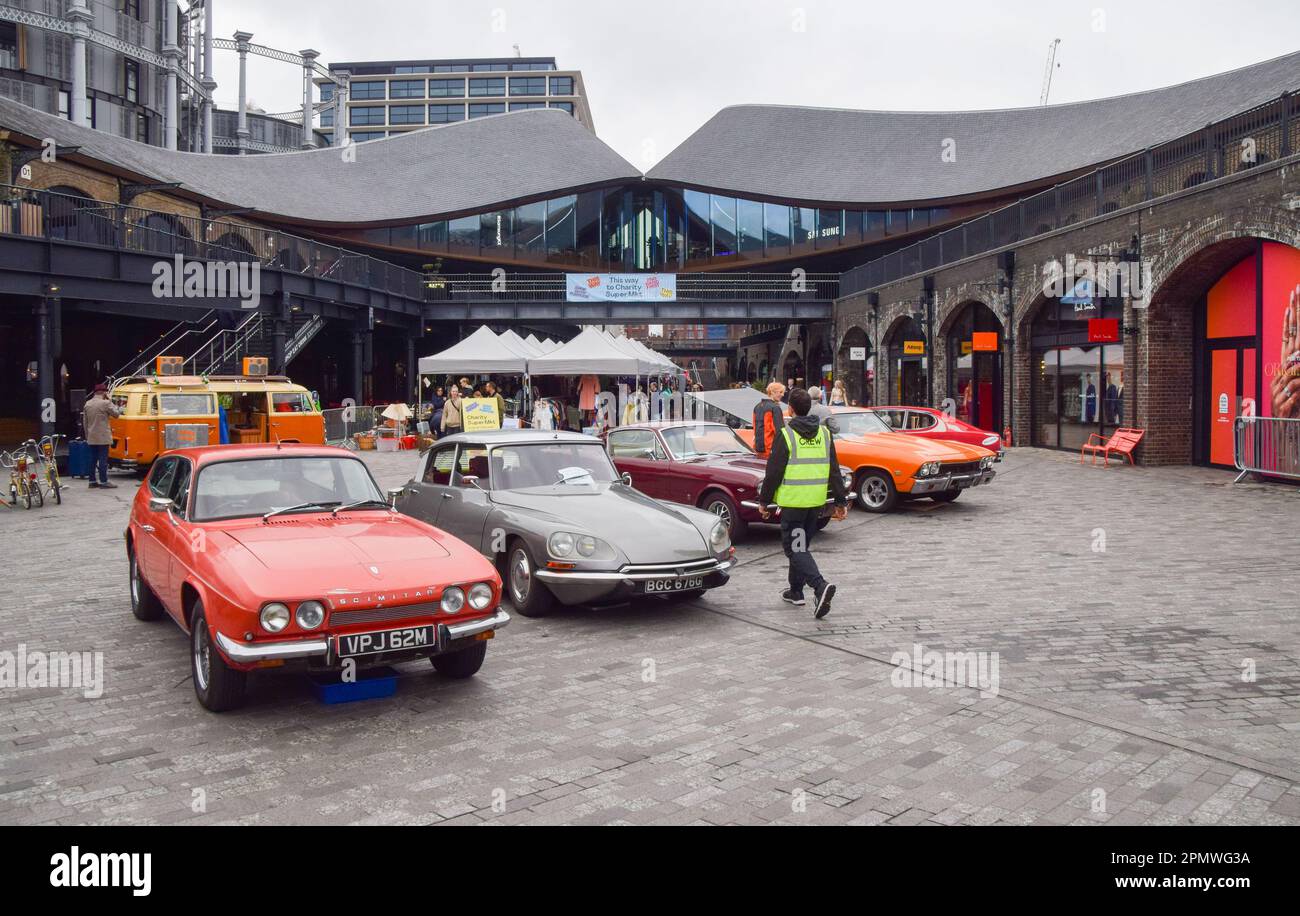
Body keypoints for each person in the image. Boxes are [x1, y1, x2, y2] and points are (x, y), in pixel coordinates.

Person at [758, 388, 849, 618]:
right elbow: (834, 470)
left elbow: (774, 472)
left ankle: (819, 585)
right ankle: (796, 592)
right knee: (801, 547)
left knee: (795, 548)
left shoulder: (787, 434)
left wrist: (764, 501)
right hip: (815, 503)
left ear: (790, 409)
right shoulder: (825, 434)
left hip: (794, 503)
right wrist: (840, 501)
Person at [83, 384, 121, 489]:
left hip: (91, 436)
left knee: (92, 459)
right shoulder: (106, 403)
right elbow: (117, 414)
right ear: (104, 392)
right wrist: (111, 401)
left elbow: (85, 423)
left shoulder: (88, 404)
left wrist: (87, 436)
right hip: (103, 437)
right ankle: (104, 481)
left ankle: (92, 481)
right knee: (103, 460)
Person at [752, 381, 787, 456]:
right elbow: (779, 431)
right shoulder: (775, 408)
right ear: (773, 392)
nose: (782, 395)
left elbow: (755, 428)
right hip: (771, 449)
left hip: (758, 448)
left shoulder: (757, 407)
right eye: (780, 392)